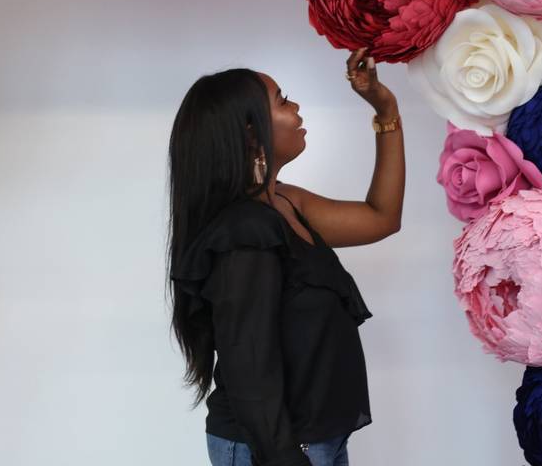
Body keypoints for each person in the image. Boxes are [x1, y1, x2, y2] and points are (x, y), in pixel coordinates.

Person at [167, 48, 405, 466]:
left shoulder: (285, 204)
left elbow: (381, 218)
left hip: (317, 441)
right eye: (281, 100)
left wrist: (386, 111)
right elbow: (249, 367)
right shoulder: (244, 233)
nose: (295, 108)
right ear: (250, 134)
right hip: (278, 450)